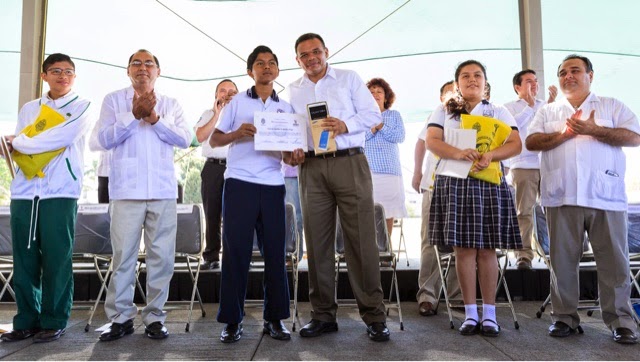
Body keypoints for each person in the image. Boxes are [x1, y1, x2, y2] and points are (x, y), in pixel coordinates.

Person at [526, 54, 640, 344]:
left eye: (575, 70)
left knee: (614, 262)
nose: (568, 76)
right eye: (563, 72)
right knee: (562, 262)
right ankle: (564, 318)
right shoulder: (548, 112)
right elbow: (532, 141)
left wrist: (594, 130)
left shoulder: (611, 105)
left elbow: (634, 137)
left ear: (591, 75)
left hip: (606, 196)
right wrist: (564, 135)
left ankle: (621, 322)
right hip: (561, 196)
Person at [286, 33, 389, 342]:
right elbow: (292, 129)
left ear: (326, 52)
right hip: (311, 167)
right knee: (317, 243)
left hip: (349, 161)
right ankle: (322, 315)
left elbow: (373, 115)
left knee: (361, 241)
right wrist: (293, 149)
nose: (311, 58)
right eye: (304, 55)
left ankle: (374, 315)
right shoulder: (292, 90)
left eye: (316, 51)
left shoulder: (348, 78)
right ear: (298, 60)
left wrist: (345, 124)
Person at [96, 49, 192, 341]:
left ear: (158, 72)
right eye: (136, 63)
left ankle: (154, 318)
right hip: (126, 190)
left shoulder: (171, 104)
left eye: (149, 63)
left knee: (161, 257)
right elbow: (102, 139)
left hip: (162, 190)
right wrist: (131, 116)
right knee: (123, 256)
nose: (142, 67)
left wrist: (154, 118)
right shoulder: (114, 101)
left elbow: (185, 138)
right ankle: (121, 317)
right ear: (128, 71)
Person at [0, 53, 92, 343]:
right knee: (24, 259)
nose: (62, 76)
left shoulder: (82, 106)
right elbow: (21, 141)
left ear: (74, 77)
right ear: (44, 76)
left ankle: (54, 319)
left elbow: (60, 138)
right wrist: (11, 144)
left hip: (60, 191)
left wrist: (19, 142)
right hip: (26, 191)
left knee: (57, 258)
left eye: (68, 71)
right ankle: (26, 319)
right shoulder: (30, 108)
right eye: (55, 71)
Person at [426, 60, 522, 337]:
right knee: (464, 250)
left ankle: (490, 314)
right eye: (465, 76)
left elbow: (515, 144)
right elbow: (433, 141)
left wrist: (491, 155)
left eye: (477, 75)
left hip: (489, 182)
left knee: (487, 249)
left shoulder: (498, 110)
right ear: (457, 83)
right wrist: (458, 153)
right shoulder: (444, 109)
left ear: (485, 82)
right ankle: (470, 313)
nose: (471, 80)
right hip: (454, 182)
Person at [211, 45, 297, 344]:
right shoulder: (236, 103)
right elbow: (216, 138)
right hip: (239, 183)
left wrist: (295, 155)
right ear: (251, 71)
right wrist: (238, 133)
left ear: (277, 71)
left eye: (272, 63)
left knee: (276, 253)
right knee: (236, 254)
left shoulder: (285, 108)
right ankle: (232, 321)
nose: (266, 67)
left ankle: (275, 319)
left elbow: (288, 156)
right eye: (260, 63)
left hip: (273, 185)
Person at [413, 80, 460, 317]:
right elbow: (422, 143)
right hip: (433, 184)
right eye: (449, 91)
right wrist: (417, 172)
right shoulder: (438, 113)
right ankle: (428, 295)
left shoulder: (480, 113)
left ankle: (457, 295)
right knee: (430, 241)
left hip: (465, 187)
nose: (454, 94)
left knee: (461, 242)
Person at [504, 69, 557, 270]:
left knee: (553, 210)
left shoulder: (546, 105)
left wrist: (550, 103)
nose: (534, 85)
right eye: (528, 82)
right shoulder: (509, 108)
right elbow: (513, 129)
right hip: (523, 165)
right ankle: (524, 255)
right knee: (524, 212)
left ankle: (555, 253)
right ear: (517, 87)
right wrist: (529, 105)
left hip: (548, 164)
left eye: (535, 81)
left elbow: (552, 129)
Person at [194, 79, 238, 270]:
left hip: (236, 168)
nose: (226, 94)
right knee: (212, 214)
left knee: (237, 215)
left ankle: (236, 256)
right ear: (216, 95)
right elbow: (200, 137)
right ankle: (211, 257)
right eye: (222, 90)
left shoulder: (242, 114)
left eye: (231, 91)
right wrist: (217, 114)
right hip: (213, 168)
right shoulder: (208, 114)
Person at [364, 78, 407, 237]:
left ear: (386, 96)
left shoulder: (394, 115)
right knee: (368, 212)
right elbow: (360, 139)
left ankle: (386, 250)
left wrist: (381, 125)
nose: (375, 94)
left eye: (379, 92)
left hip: (390, 171)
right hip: (367, 171)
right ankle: (371, 252)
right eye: (371, 92)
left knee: (388, 212)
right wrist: (373, 129)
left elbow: (399, 136)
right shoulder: (361, 116)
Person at [282, 163, 304, 260]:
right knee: (294, 217)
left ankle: (295, 257)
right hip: (290, 172)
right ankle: (295, 258)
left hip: (312, 168)